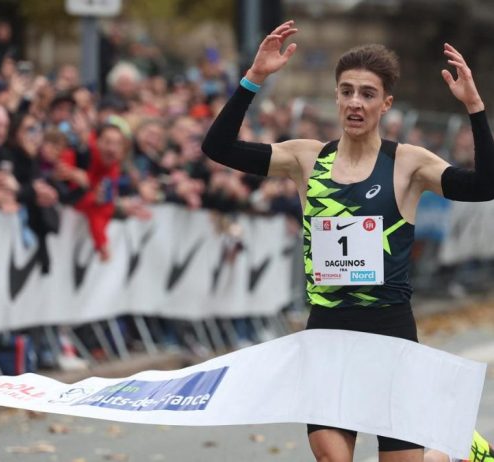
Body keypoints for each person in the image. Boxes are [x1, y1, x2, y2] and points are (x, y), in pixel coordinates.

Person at [201, 20, 494, 462]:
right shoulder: (306, 158)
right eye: (347, 91)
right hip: (327, 332)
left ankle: (458, 451)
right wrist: (253, 79)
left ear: (386, 104)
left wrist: (474, 107)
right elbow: (219, 147)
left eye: (368, 94)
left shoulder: (407, 164)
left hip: (390, 333)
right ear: (337, 97)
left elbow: (484, 185)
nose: (355, 102)